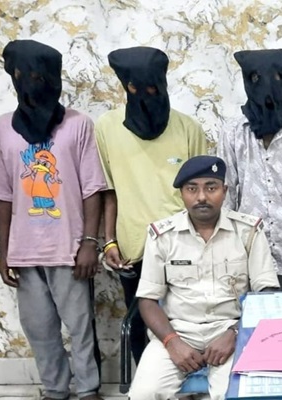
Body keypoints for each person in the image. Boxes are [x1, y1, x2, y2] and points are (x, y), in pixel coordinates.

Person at [0, 40, 106, 400]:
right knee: (39, 328)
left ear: (52, 78)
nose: (30, 83)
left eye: (38, 76)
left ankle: (88, 390)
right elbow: (2, 195)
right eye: (21, 75)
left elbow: (92, 188)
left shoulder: (78, 125)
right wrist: (5, 252)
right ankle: (54, 390)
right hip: (25, 250)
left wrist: (89, 243)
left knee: (80, 327)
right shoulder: (1, 130)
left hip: (69, 247)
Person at [128, 155, 280, 400]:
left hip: (231, 330)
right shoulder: (163, 236)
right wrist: (172, 342)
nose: (201, 197)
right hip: (177, 331)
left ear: (224, 191)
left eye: (211, 188)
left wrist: (235, 333)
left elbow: (267, 295)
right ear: (182, 194)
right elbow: (147, 300)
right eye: (192, 189)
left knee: (235, 394)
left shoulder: (248, 231)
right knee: (145, 394)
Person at [94, 46, 207, 364]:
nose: (145, 96)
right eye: (134, 88)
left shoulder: (188, 129)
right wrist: (109, 241)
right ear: (125, 86)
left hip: (183, 245)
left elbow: (201, 195)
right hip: (133, 246)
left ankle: (186, 383)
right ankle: (145, 384)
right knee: (139, 323)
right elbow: (108, 190)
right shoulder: (106, 127)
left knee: (187, 321)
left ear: (163, 84)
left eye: (153, 89)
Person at [217, 48, 282, 291]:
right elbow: (226, 192)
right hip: (247, 245)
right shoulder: (232, 132)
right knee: (248, 311)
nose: (267, 86)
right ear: (248, 82)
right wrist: (224, 245)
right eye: (257, 79)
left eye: (276, 78)